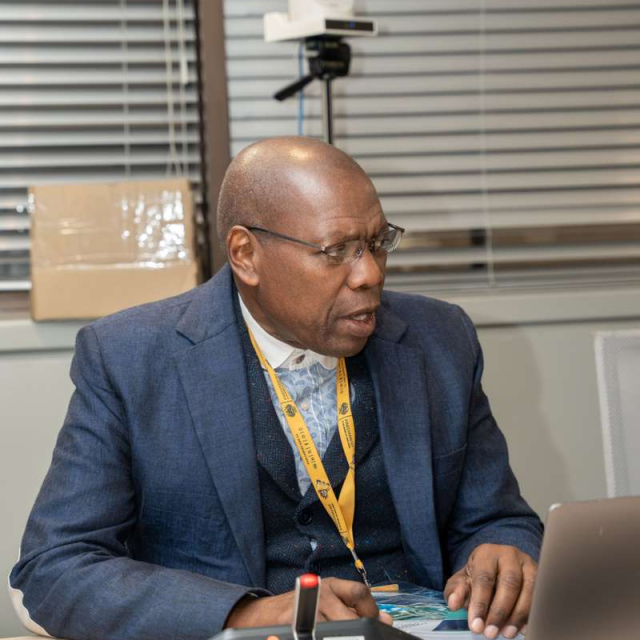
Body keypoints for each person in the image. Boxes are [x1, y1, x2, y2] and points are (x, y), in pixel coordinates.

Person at [10, 137, 543, 640]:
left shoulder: (440, 340)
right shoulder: (131, 358)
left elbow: (498, 519)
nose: (370, 274)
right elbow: (55, 566)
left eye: (378, 243)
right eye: (336, 250)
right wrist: (247, 614)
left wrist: (504, 552)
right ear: (245, 254)